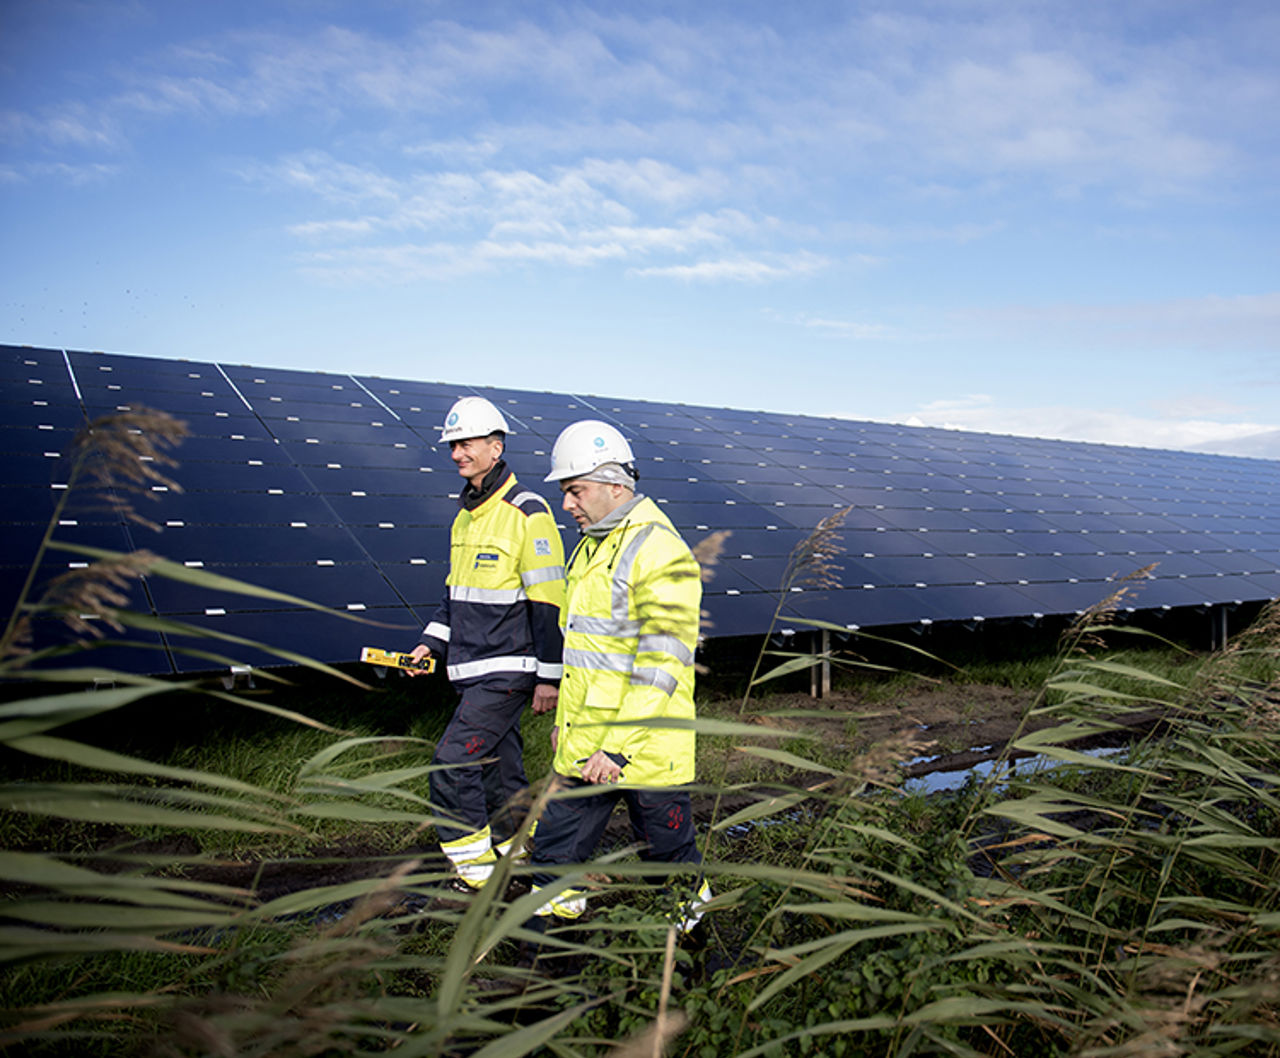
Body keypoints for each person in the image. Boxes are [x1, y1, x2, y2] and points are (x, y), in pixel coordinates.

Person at [525, 419, 711, 938]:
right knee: (554, 851)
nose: (567, 505)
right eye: (565, 492)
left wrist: (621, 747)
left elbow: (662, 661)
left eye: (575, 490)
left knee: (667, 858)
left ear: (615, 484)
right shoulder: (590, 545)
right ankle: (549, 950)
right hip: (588, 740)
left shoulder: (659, 549)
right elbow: (582, 650)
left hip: (644, 747)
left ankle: (695, 950)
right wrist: (566, 723)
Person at [408, 396, 565, 891]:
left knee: (453, 764)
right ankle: (521, 851)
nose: (457, 453)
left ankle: (475, 873)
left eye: (467, 443)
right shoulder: (465, 516)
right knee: (500, 770)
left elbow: (548, 602)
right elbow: (455, 597)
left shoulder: (528, 512)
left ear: (495, 448)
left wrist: (549, 676)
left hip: (507, 671)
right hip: (469, 668)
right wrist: (428, 646)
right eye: (453, 445)